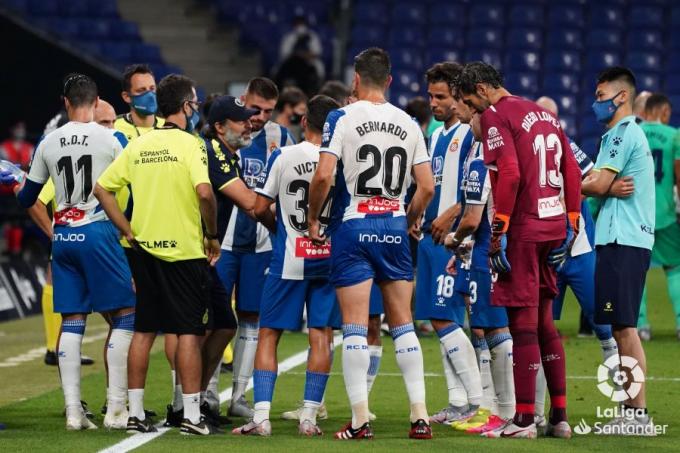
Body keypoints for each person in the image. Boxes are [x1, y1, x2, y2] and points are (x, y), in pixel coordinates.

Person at [308, 47, 434, 440]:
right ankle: (420, 416)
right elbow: (427, 186)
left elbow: (324, 176)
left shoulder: (341, 116)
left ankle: (360, 419)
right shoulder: (410, 122)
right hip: (394, 225)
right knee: (404, 326)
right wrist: (409, 221)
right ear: (390, 81)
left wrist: (313, 218)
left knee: (355, 328)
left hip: (355, 226)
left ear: (356, 80)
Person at [454, 61, 582, 439]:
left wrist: (499, 229)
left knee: (522, 326)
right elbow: (571, 171)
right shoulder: (543, 113)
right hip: (554, 225)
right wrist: (572, 221)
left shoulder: (496, 114)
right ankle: (559, 417)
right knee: (545, 323)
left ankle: (524, 419)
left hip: (523, 228)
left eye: (469, 103)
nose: (473, 113)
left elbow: (509, 172)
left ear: (481, 89)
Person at [1, 74, 136, 431]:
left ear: (65, 102)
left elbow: (28, 198)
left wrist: (16, 177)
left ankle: (74, 413)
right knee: (125, 315)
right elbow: (131, 190)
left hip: (63, 238)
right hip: (100, 232)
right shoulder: (113, 138)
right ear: (95, 103)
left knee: (72, 321)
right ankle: (117, 409)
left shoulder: (48, 141)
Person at [94, 73, 221, 436]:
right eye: (194, 102)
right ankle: (192, 417)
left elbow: (101, 189)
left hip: (144, 249)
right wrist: (211, 234)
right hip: (183, 251)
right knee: (188, 333)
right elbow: (205, 192)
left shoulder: (140, 145)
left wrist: (127, 229)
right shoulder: (191, 145)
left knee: (144, 331)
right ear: (185, 106)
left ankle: (134, 413)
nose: (196, 108)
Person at [232, 95, 341, 437]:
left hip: (289, 257)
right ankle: (309, 417)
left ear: (305, 121)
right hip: (328, 257)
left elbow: (260, 206)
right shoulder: (341, 160)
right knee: (321, 334)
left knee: (268, 333)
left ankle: (261, 416)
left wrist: (277, 229)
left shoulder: (283, 155)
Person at [532, 96, 619, 432]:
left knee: (606, 328)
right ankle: (539, 413)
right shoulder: (526, 148)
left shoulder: (567, 146)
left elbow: (593, 179)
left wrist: (577, 189)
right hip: (545, 254)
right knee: (542, 330)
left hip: (579, 250)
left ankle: (625, 408)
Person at [215, 77, 295, 419]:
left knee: (251, 317)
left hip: (262, 244)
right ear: (244, 99)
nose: (260, 116)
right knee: (215, 318)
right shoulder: (227, 133)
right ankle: (204, 394)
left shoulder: (282, 138)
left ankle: (238, 396)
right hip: (223, 242)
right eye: (256, 108)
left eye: (268, 110)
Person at [581, 66, 655, 434]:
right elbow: (602, 184)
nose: (597, 104)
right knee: (621, 326)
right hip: (622, 238)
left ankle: (636, 414)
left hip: (623, 239)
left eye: (600, 96)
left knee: (625, 328)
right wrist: (600, 185)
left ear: (621, 96)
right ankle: (631, 409)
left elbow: (597, 182)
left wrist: (587, 183)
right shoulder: (625, 134)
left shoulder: (620, 133)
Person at [413, 62, 482, 427]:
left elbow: (477, 187)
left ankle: (476, 402)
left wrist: (452, 215)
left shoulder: (472, 133)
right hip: (430, 237)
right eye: (430, 95)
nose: (433, 102)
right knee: (443, 319)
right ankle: (458, 403)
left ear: (459, 94)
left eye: (440, 96)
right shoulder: (438, 135)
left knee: (443, 317)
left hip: (454, 240)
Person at [444, 112, 515, 434]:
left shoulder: (481, 162)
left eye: (472, 113)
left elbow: (472, 220)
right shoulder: (509, 156)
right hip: (506, 248)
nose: (467, 118)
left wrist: (453, 240)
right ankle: (498, 409)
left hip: (488, 252)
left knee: (494, 330)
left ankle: (503, 412)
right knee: (495, 330)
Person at [636, 94, 680, 341]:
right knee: (675, 267)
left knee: (638, 270)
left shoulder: (633, 133)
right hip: (665, 214)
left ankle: (641, 326)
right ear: (664, 112)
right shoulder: (674, 135)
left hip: (637, 216)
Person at [113, 64, 164, 141]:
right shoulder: (113, 127)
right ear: (127, 97)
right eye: (141, 90)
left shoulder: (168, 127)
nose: (150, 95)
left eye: (152, 88)